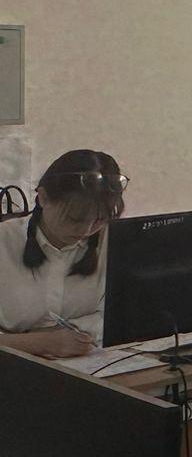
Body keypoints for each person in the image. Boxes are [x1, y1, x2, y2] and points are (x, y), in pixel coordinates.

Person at [0, 150, 125, 356]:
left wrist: (78, 332)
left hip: (91, 361)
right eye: (75, 219)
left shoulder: (114, 242)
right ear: (43, 198)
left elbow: (126, 315)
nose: (86, 230)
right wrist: (37, 343)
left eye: (100, 219)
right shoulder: (5, 241)